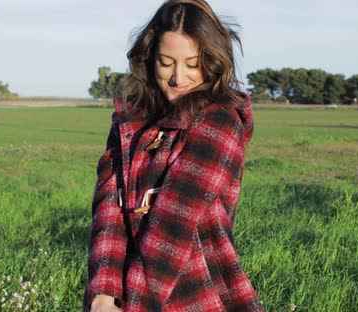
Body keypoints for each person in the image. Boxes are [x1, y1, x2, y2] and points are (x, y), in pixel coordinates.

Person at [84, 1, 262, 311]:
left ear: (212, 60)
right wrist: (103, 294)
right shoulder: (129, 123)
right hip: (127, 296)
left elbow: (171, 229)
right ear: (150, 58)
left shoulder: (218, 121)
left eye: (192, 63)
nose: (179, 77)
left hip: (197, 297)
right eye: (167, 62)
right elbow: (109, 207)